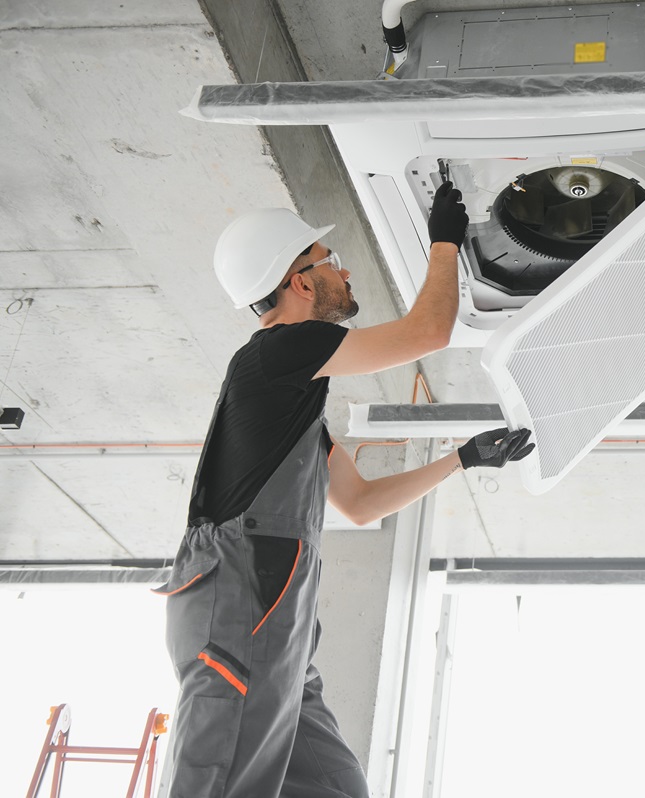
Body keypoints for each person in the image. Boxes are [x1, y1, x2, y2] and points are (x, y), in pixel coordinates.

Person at [154, 182, 532, 797]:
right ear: (300, 282)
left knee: (337, 787)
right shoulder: (279, 350)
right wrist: (443, 242)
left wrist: (461, 460)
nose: (343, 268)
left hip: (277, 626)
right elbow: (428, 332)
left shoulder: (290, 404)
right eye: (329, 260)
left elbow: (359, 504)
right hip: (242, 611)